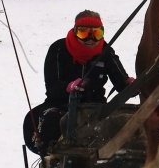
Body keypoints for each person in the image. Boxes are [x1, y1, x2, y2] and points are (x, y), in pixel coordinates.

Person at [22, 10, 138, 157]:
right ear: (75, 31)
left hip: (96, 107)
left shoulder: (105, 52)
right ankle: (55, 159)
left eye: (96, 33)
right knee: (53, 123)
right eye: (84, 33)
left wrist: (130, 85)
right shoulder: (58, 49)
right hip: (60, 105)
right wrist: (68, 87)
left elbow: (121, 82)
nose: (90, 39)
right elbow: (52, 87)